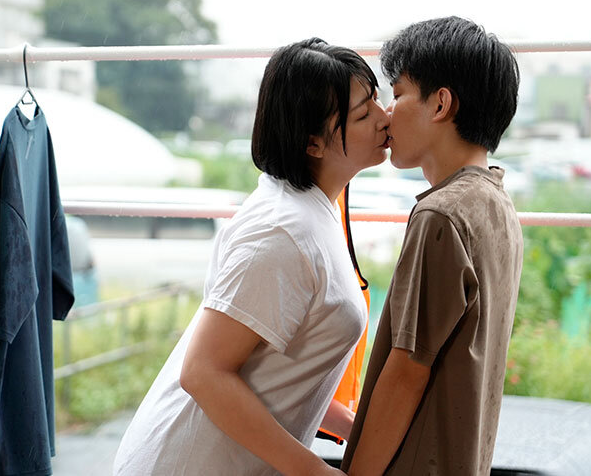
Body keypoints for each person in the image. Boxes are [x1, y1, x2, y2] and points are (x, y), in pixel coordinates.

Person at [113, 37, 390, 476]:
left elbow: (281, 369)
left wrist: (354, 428)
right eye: (363, 113)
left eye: (376, 99)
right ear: (313, 143)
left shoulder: (310, 210)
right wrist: (315, 472)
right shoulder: (282, 232)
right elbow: (203, 373)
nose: (383, 116)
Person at [341, 16, 524, 476]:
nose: (387, 113)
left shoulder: (440, 215)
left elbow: (406, 373)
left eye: (398, 93)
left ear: (440, 103)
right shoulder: (495, 201)